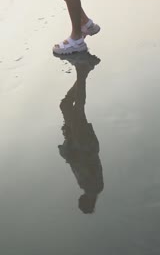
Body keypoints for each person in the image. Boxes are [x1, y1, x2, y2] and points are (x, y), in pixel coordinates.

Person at [57, 52, 103, 213]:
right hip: (83, 144)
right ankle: (82, 71)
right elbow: (80, 162)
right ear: (85, 202)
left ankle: (84, 71)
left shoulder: (93, 187)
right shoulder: (91, 187)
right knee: (77, 108)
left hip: (85, 144)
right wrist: (70, 142)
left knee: (66, 106)